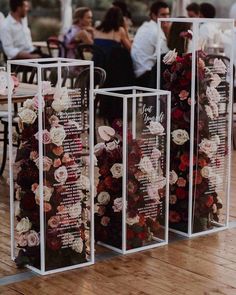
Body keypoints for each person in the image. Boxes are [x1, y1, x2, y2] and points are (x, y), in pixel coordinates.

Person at [131, 1, 170, 87]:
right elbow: (167, 56)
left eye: (168, 14)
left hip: (136, 71)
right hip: (145, 74)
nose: (167, 17)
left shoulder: (145, 26)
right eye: (163, 15)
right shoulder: (156, 31)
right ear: (154, 15)